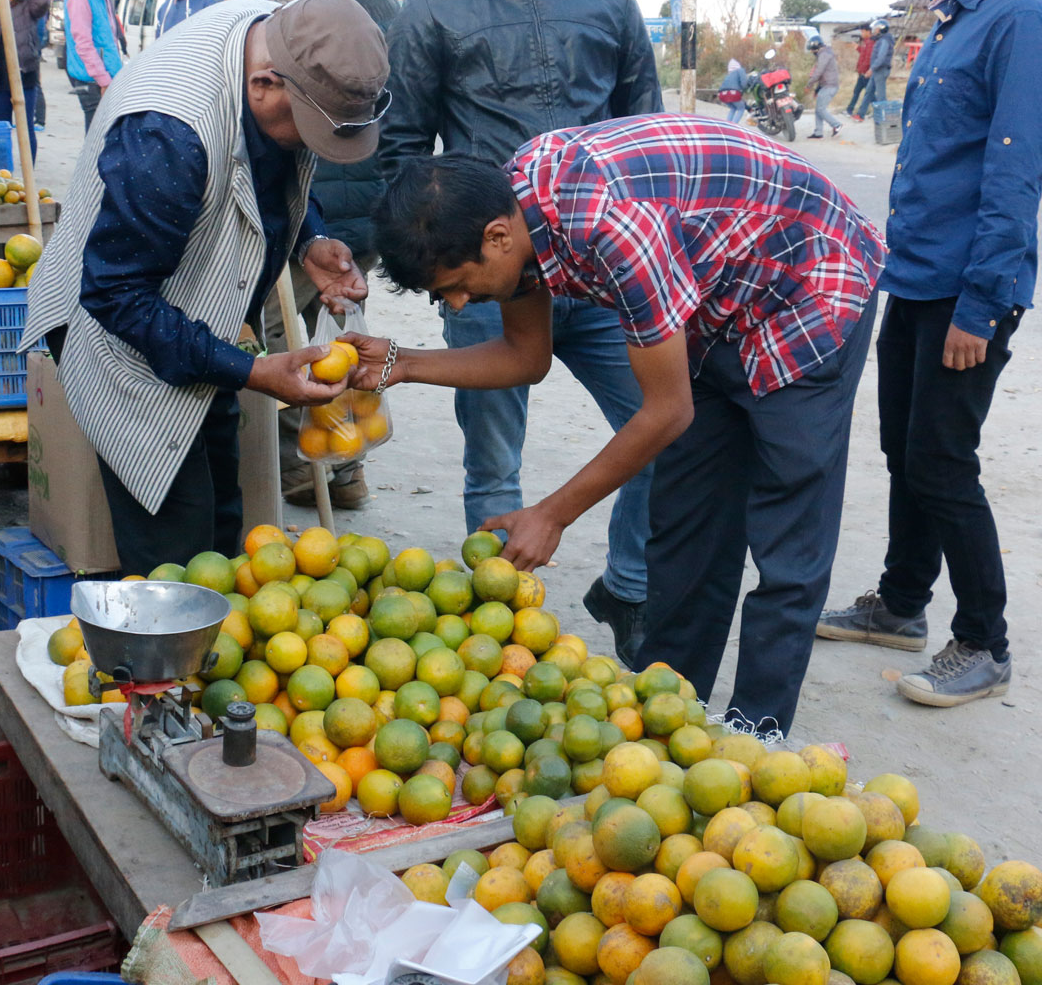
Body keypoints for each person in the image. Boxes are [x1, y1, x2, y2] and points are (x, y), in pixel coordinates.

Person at [354, 114, 886, 735]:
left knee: (785, 543)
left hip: (807, 285)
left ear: (496, 237)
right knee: (686, 529)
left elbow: (667, 411)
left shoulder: (612, 226)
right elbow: (526, 358)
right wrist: (401, 363)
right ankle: (666, 724)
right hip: (713, 305)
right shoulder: (515, 217)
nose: (458, 304)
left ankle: (752, 744)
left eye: (457, 285)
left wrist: (550, 514)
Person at [380, 0, 663, 663]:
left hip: (603, 265)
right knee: (493, 462)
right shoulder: (432, 3)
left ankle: (632, 589)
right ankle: (495, 617)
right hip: (489, 264)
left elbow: (640, 123)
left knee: (655, 430)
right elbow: (403, 145)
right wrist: (429, 255)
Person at [815, 0, 1042, 707]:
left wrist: (983, 303)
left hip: (969, 290)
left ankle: (983, 641)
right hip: (917, 276)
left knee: (941, 461)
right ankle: (899, 602)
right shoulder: (957, 13)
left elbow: (1013, 173)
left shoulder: (1023, 22)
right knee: (904, 451)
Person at [18, 0, 388, 570]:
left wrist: (309, 237)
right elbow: (116, 296)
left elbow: (279, 167)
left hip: (199, 311)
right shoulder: (167, 132)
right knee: (176, 538)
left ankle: (212, 633)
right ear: (264, 84)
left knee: (221, 516)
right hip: (119, 323)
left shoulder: (283, 32)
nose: (309, 144)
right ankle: (161, 651)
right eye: (307, 130)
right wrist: (252, 371)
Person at [256, 0, 403, 512]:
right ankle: (348, 471)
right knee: (343, 328)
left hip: (317, 204)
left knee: (284, 329)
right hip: (376, 208)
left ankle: (308, 469)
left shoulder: (302, 25)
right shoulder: (392, 11)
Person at [65, 0, 126, 131]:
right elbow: (83, 44)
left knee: (106, 138)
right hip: (93, 80)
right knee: (98, 140)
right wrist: (104, 80)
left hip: (106, 75)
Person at [0, 0, 51, 161]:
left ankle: (28, 174)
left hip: (25, 77)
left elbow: (42, 1)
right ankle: (2, 171)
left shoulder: (28, 9)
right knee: (0, 128)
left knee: (26, 129)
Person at [853, 19, 894, 120]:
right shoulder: (880, 40)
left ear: (881, 29)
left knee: (881, 96)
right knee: (869, 92)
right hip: (876, 70)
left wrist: (871, 69)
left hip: (881, 70)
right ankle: (860, 114)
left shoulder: (884, 40)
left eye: (876, 29)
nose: (874, 31)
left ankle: (885, 117)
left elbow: (881, 57)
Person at [807, 34, 842, 139]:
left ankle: (836, 125)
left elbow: (818, 73)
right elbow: (822, 74)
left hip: (829, 86)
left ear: (816, 48)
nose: (812, 52)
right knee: (818, 109)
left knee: (821, 109)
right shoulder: (825, 53)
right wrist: (817, 90)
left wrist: (809, 85)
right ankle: (818, 132)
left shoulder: (824, 55)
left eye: (812, 50)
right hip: (826, 85)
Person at [845, 32, 873, 121]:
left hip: (866, 73)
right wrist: (857, 48)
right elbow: (863, 53)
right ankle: (849, 109)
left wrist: (865, 70)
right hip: (862, 72)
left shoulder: (871, 43)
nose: (862, 33)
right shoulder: (866, 42)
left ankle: (878, 109)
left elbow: (868, 58)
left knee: (869, 94)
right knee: (857, 91)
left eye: (863, 31)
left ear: (868, 31)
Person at [719, 57, 749, 124]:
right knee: (741, 108)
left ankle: (727, 125)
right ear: (738, 66)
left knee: (733, 108)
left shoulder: (729, 75)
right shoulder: (740, 70)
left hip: (722, 94)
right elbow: (744, 82)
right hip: (733, 93)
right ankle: (734, 126)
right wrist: (744, 88)